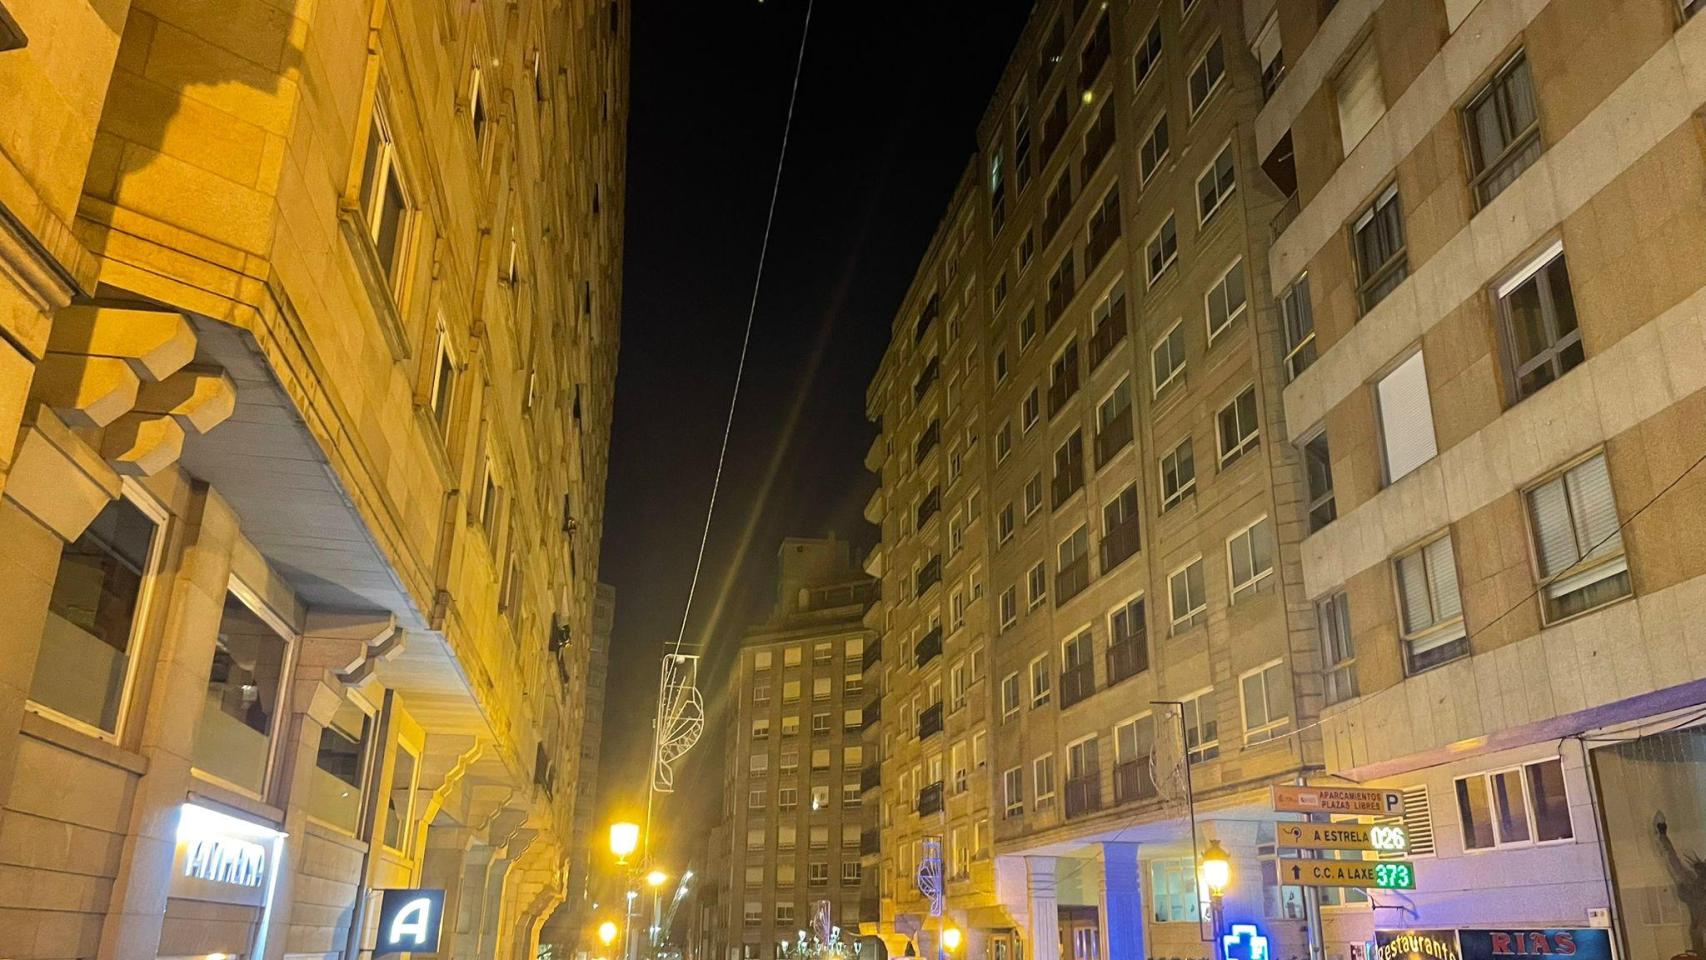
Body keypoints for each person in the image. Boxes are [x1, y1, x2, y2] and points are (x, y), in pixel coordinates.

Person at [1655, 812, 1706, 958]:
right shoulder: (1691, 884)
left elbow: (1672, 860)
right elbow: (1672, 860)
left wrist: (1663, 834)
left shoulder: (1691, 885)